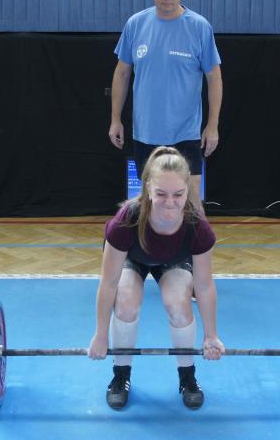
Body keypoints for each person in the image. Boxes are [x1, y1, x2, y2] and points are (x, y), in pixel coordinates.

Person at [88, 147, 225, 410]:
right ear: (148, 188)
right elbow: (108, 283)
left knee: (178, 304)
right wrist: (101, 335)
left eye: (178, 194)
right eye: (161, 194)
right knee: (126, 301)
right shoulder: (126, 221)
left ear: (188, 190)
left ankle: (187, 378)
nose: (170, 202)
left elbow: (204, 286)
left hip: (173, 260)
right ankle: (120, 375)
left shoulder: (198, 227)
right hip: (133, 258)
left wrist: (211, 336)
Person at [108, 0, 223, 213]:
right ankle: (148, 237)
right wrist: (115, 119)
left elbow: (214, 78)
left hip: (186, 132)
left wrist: (212, 125)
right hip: (146, 132)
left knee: (192, 205)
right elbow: (121, 73)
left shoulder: (199, 27)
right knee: (149, 204)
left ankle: (196, 237)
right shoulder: (136, 24)